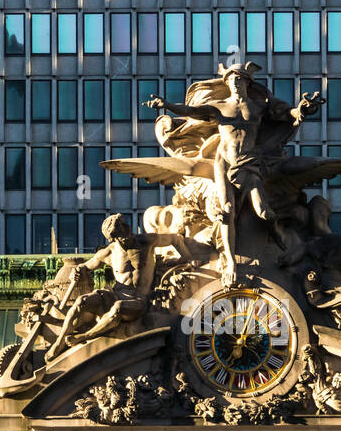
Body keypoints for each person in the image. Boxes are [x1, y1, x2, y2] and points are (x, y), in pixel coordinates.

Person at [145, 62, 322, 284]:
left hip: (250, 162)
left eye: (238, 79)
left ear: (247, 82)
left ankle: (280, 239)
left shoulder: (259, 106)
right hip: (224, 162)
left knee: (264, 211)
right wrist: (168, 105)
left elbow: (288, 114)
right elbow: (191, 111)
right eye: (230, 80)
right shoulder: (219, 106)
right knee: (226, 211)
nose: (234, 83)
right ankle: (229, 261)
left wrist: (302, 110)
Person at [44, 213, 202, 361]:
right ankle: (59, 342)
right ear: (113, 238)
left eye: (125, 226)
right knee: (81, 301)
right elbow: (85, 266)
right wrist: (76, 272)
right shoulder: (110, 253)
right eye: (120, 230)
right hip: (114, 294)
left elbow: (175, 239)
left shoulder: (146, 241)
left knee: (118, 308)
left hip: (139, 299)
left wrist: (186, 258)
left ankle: (85, 336)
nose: (127, 231)